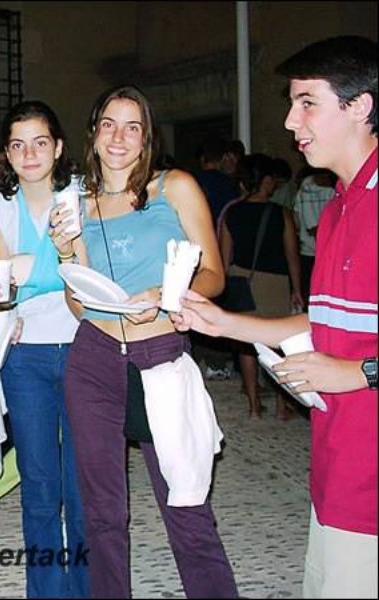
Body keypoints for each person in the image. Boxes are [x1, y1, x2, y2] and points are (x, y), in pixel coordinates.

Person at [173, 36, 377, 599]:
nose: (291, 121)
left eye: (307, 102)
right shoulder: (338, 207)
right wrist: (222, 323)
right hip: (338, 467)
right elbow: (324, 323)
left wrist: (359, 372)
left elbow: (354, 361)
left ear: (359, 106)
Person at [50, 85, 237, 598]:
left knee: (186, 502)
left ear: (146, 137)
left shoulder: (173, 187)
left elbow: (214, 275)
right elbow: (80, 305)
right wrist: (65, 250)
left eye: (132, 127)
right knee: (102, 512)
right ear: (94, 133)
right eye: (109, 124)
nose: (119, 137)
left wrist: (167, 294)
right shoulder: (77, 205)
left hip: (160, 357)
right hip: (94, 359)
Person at [0, 100, 89, 598]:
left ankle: (86, 588)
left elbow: (90, 276)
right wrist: (0, 295)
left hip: (84, 348)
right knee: (40, 483)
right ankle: (46, 591)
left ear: (58, 147)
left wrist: (32, 275)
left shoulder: (83, 198)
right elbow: (4, 288)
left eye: (40, 143)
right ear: (7, 153)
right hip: (26, 357)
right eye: (18, 145)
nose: (29, 154)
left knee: (83, 484)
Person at [220, 153, 304, 420]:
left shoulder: (232, 212)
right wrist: (297, 289)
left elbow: (224, 257)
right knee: (278, 343)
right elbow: (292, 256)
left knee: (246, 344)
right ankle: (281, 406)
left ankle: (254, 406)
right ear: (266, 180)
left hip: (240, 280)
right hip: (274, 283)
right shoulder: (281, 214)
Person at [293, 167, 336, 308]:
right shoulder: (334, 192)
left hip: (306, 251)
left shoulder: (301, 193)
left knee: (309, 296)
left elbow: (296, 221)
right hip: (329, 253)